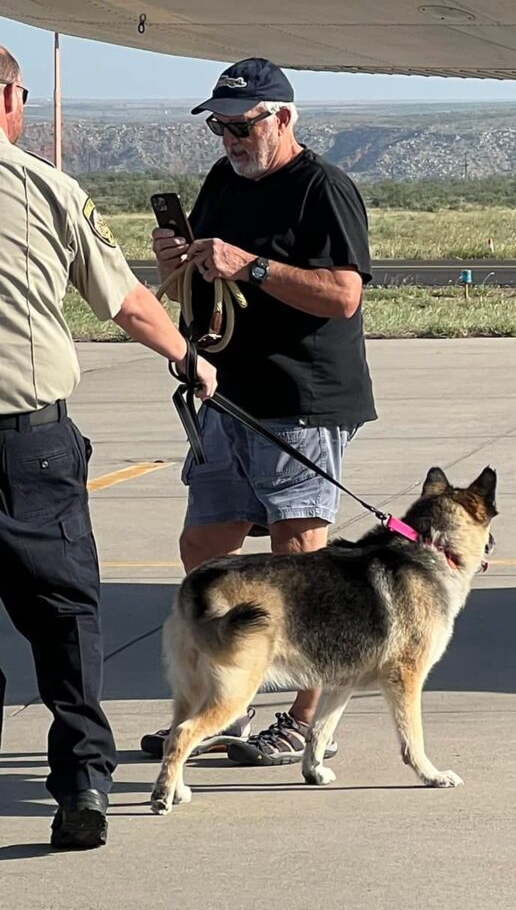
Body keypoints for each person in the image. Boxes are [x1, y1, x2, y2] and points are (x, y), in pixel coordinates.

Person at [0, 44, 217, 849]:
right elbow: (124, 300)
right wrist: (191, 359)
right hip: (32, 444)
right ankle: (83, 786)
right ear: (13, 99)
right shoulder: (45, 189)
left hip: (31, 443)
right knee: (66, 620)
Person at [141, 57, 377, 768]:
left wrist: (256, 267)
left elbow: (344, 296)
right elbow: (195, 286)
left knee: (298, 558)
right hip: (229, 394)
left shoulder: (323, 189)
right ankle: (224, 706)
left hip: (302, 398)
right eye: (220, 127)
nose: (231, 139)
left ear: (283, 118)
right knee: (204, 549)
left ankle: (305, 719)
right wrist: (174, 265)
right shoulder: (221, 181)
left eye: (243, 125)